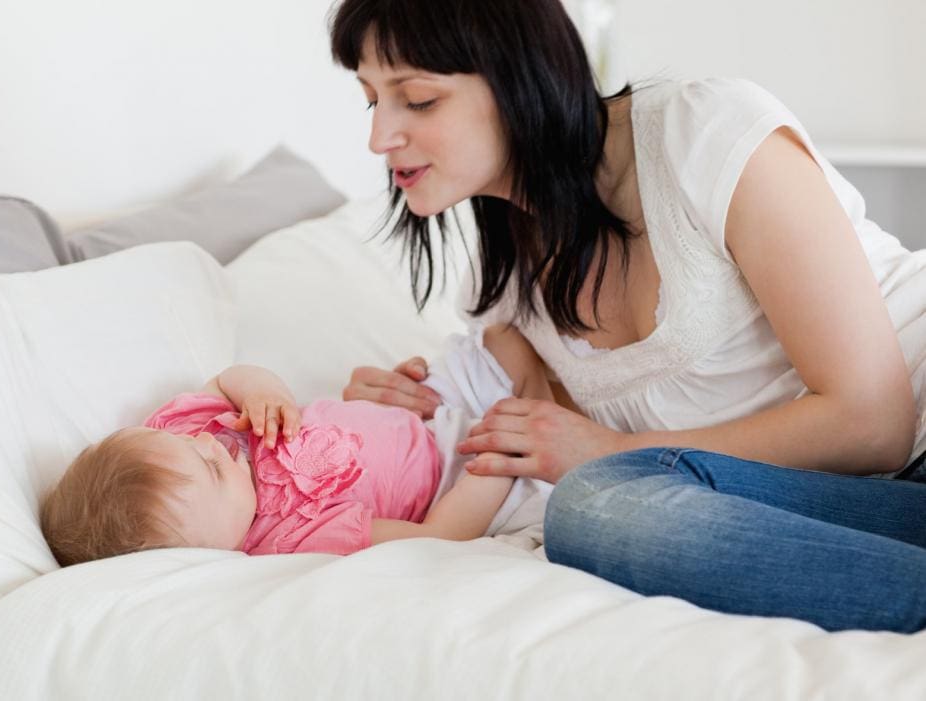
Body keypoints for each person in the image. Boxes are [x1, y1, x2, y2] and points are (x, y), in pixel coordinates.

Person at [330, 0, 926, 632]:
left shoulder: (703, 134)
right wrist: (403, 410)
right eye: (372, 100)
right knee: (595, 511)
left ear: (520, 75)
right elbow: (523, 437)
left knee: (601, 491)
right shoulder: (506, 288)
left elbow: (873, 423)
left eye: (418, 100)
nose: (379, 139)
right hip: (866, 504)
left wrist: (616, 449)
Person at [40, 325, 558, 566]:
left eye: (188, 443)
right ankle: (534, 418)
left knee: (502, 336)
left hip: (420, 411)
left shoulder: (189, 436)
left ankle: (536, 396)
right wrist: (495, 459)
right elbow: (440, 533)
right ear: (214, 551)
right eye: (214, 472)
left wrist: (265, 391)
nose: (213, 445)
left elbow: (227, 380)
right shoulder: (290, 539)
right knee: (543, 479)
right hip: (455, 472)